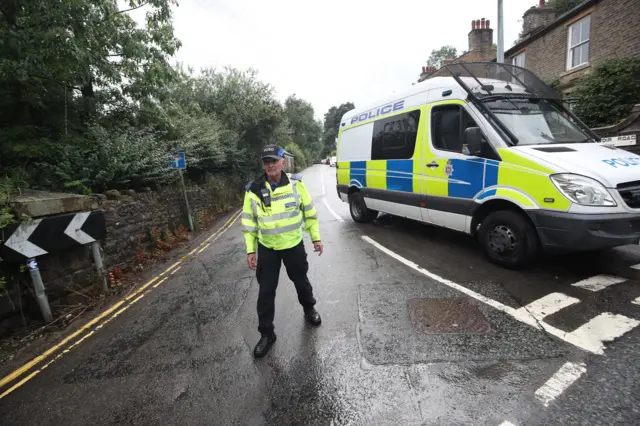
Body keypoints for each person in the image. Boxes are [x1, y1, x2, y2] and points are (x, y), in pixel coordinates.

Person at [241, 144, 323, 358]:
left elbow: (309, 213)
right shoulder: (253, 190)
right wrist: (251, 251)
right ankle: (267, 334)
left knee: (301, 281)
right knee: (266, 292)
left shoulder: (296, 185)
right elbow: (249, 223)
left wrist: (315, 237)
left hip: (293, 244)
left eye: (274, 161)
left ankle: (309, 309)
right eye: (266, 162)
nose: (270, 165)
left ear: (282, 163)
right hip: (268, 248)